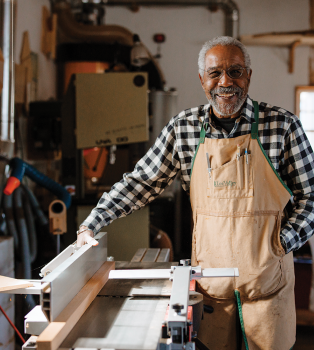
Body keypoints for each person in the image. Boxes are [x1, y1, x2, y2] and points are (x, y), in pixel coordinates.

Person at [76, 36, 314, 349]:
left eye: (235, 71)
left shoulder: (283, 126)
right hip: (211, 291)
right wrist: (92, 222)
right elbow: (142, 181)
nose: (225, 82)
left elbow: (310, 198)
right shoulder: (183, 129)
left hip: (268, 291)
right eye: (215, 73)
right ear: (202, 79)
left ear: (249, 76)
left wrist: (281, 243)